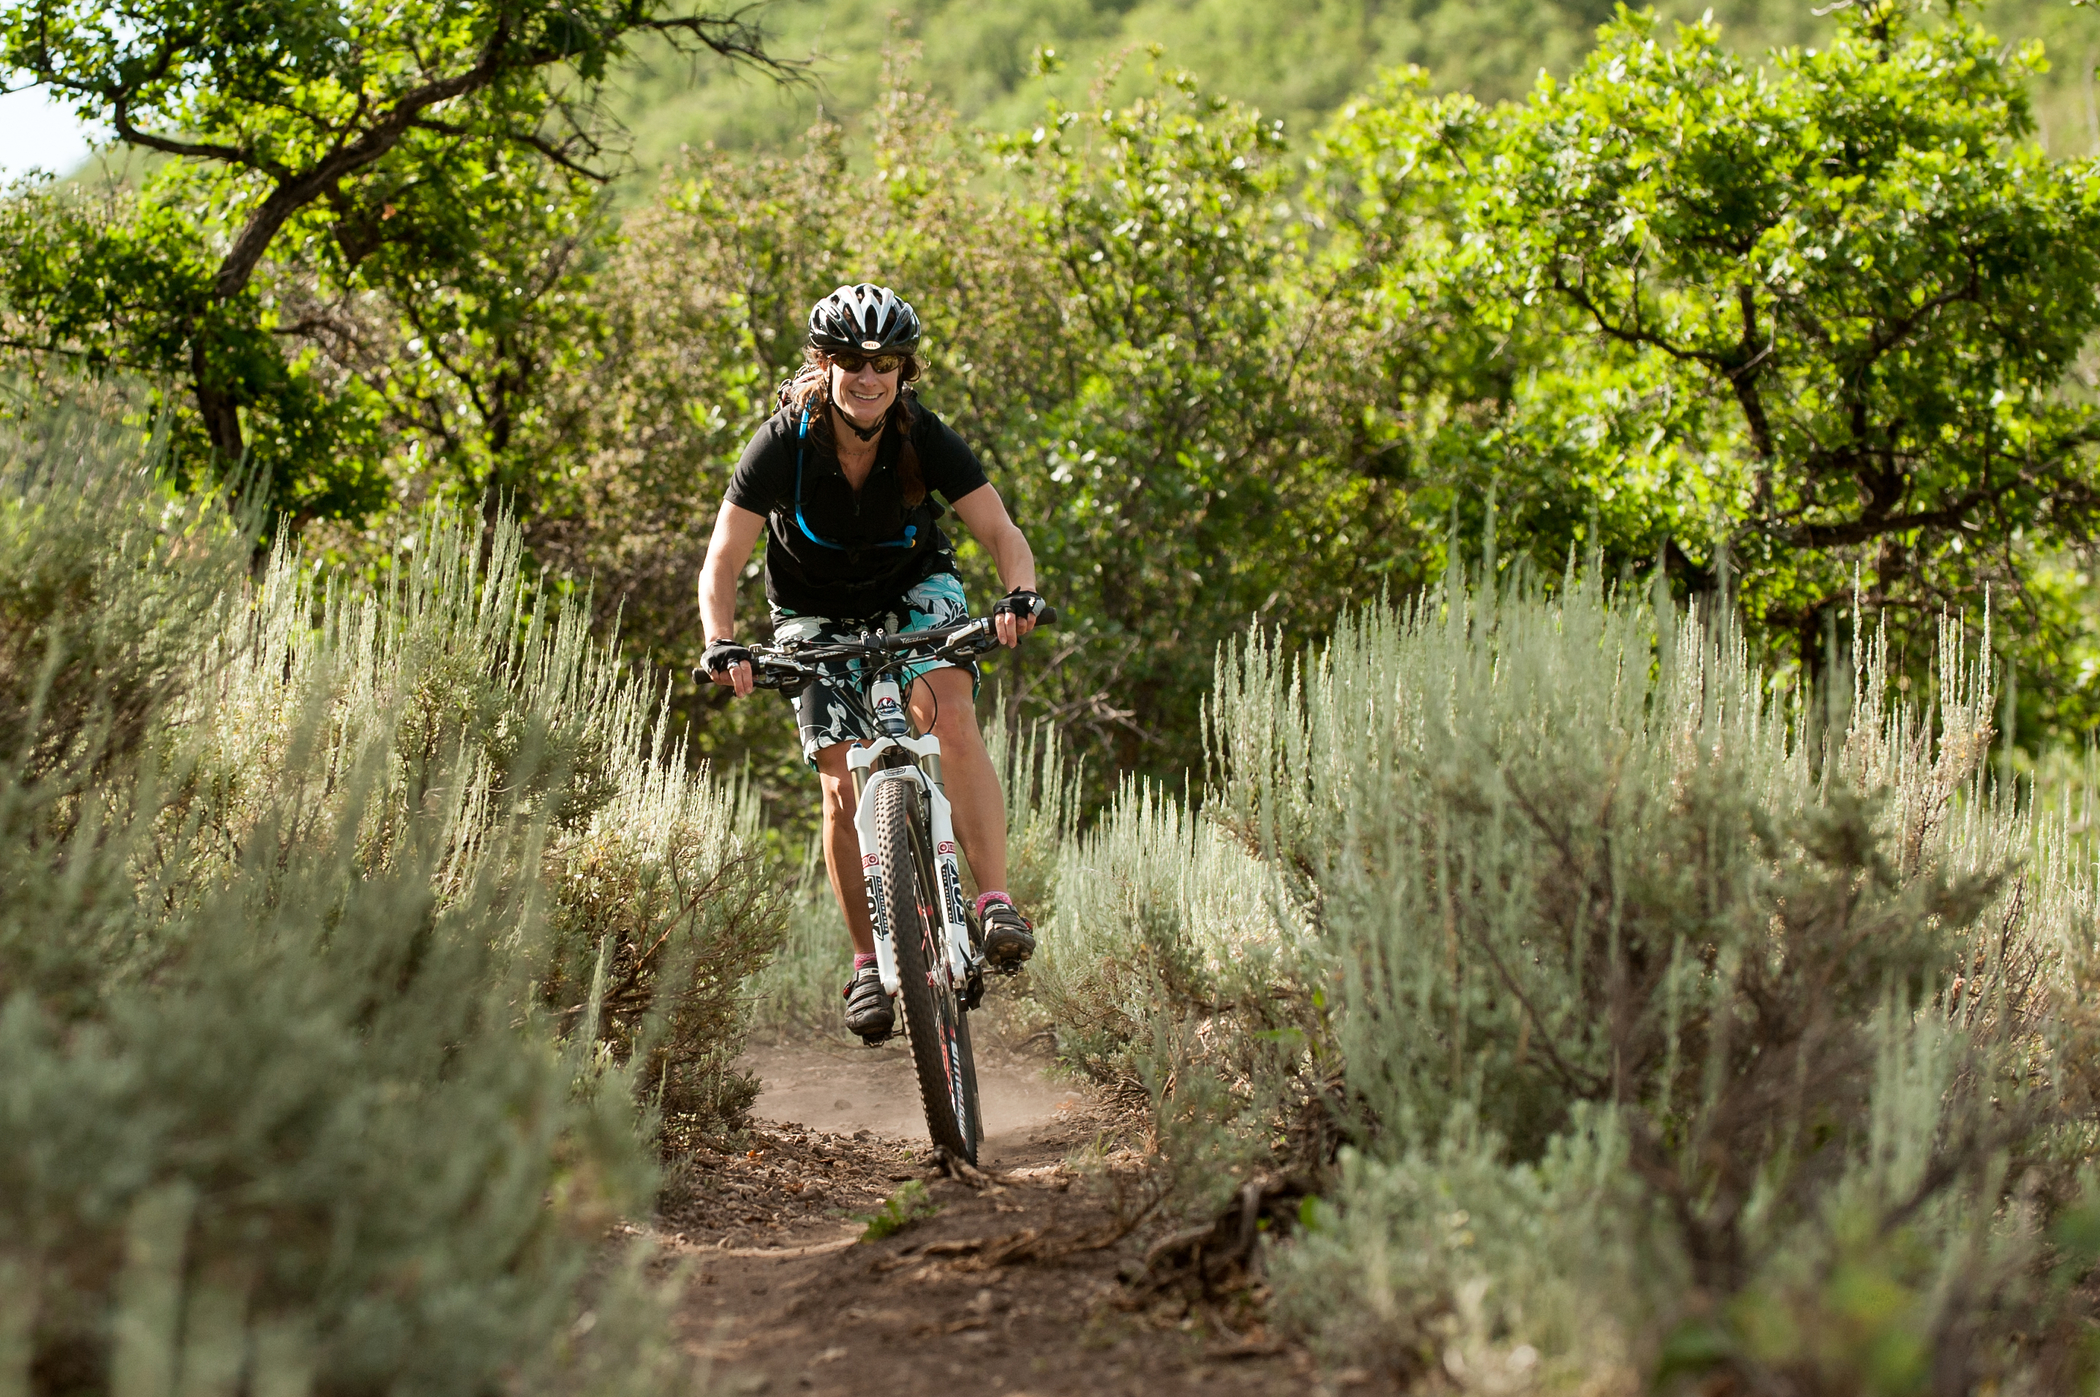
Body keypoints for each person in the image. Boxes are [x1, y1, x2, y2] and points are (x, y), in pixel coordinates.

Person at [697, 283, 1046, 1042]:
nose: (867, 375)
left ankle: (992, 902)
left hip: (914, 587)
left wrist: (1019, 595)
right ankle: (867, 961)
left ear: (903, 370)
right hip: (811, 612)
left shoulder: (923, 434)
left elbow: (1000, 530)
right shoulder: (783, 441)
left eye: (884, 361)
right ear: (823, 365)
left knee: (951, 716)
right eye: (850, 360)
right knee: (838, 783)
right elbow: (722, 560)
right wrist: (721, 640)